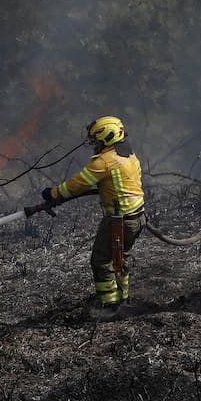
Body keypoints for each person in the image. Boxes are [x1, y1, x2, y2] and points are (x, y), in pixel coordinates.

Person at [42, 115, 146, 319]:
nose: (94, 145)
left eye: (96, 140)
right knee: (121, 258)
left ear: (106, 138)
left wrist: (53, 194)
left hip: (119, 220)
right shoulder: (129, 156)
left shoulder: (104, 162)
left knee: (101, 260)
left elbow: (77, 184)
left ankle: (109, 307)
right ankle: (123, 299)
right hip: (137, 218)